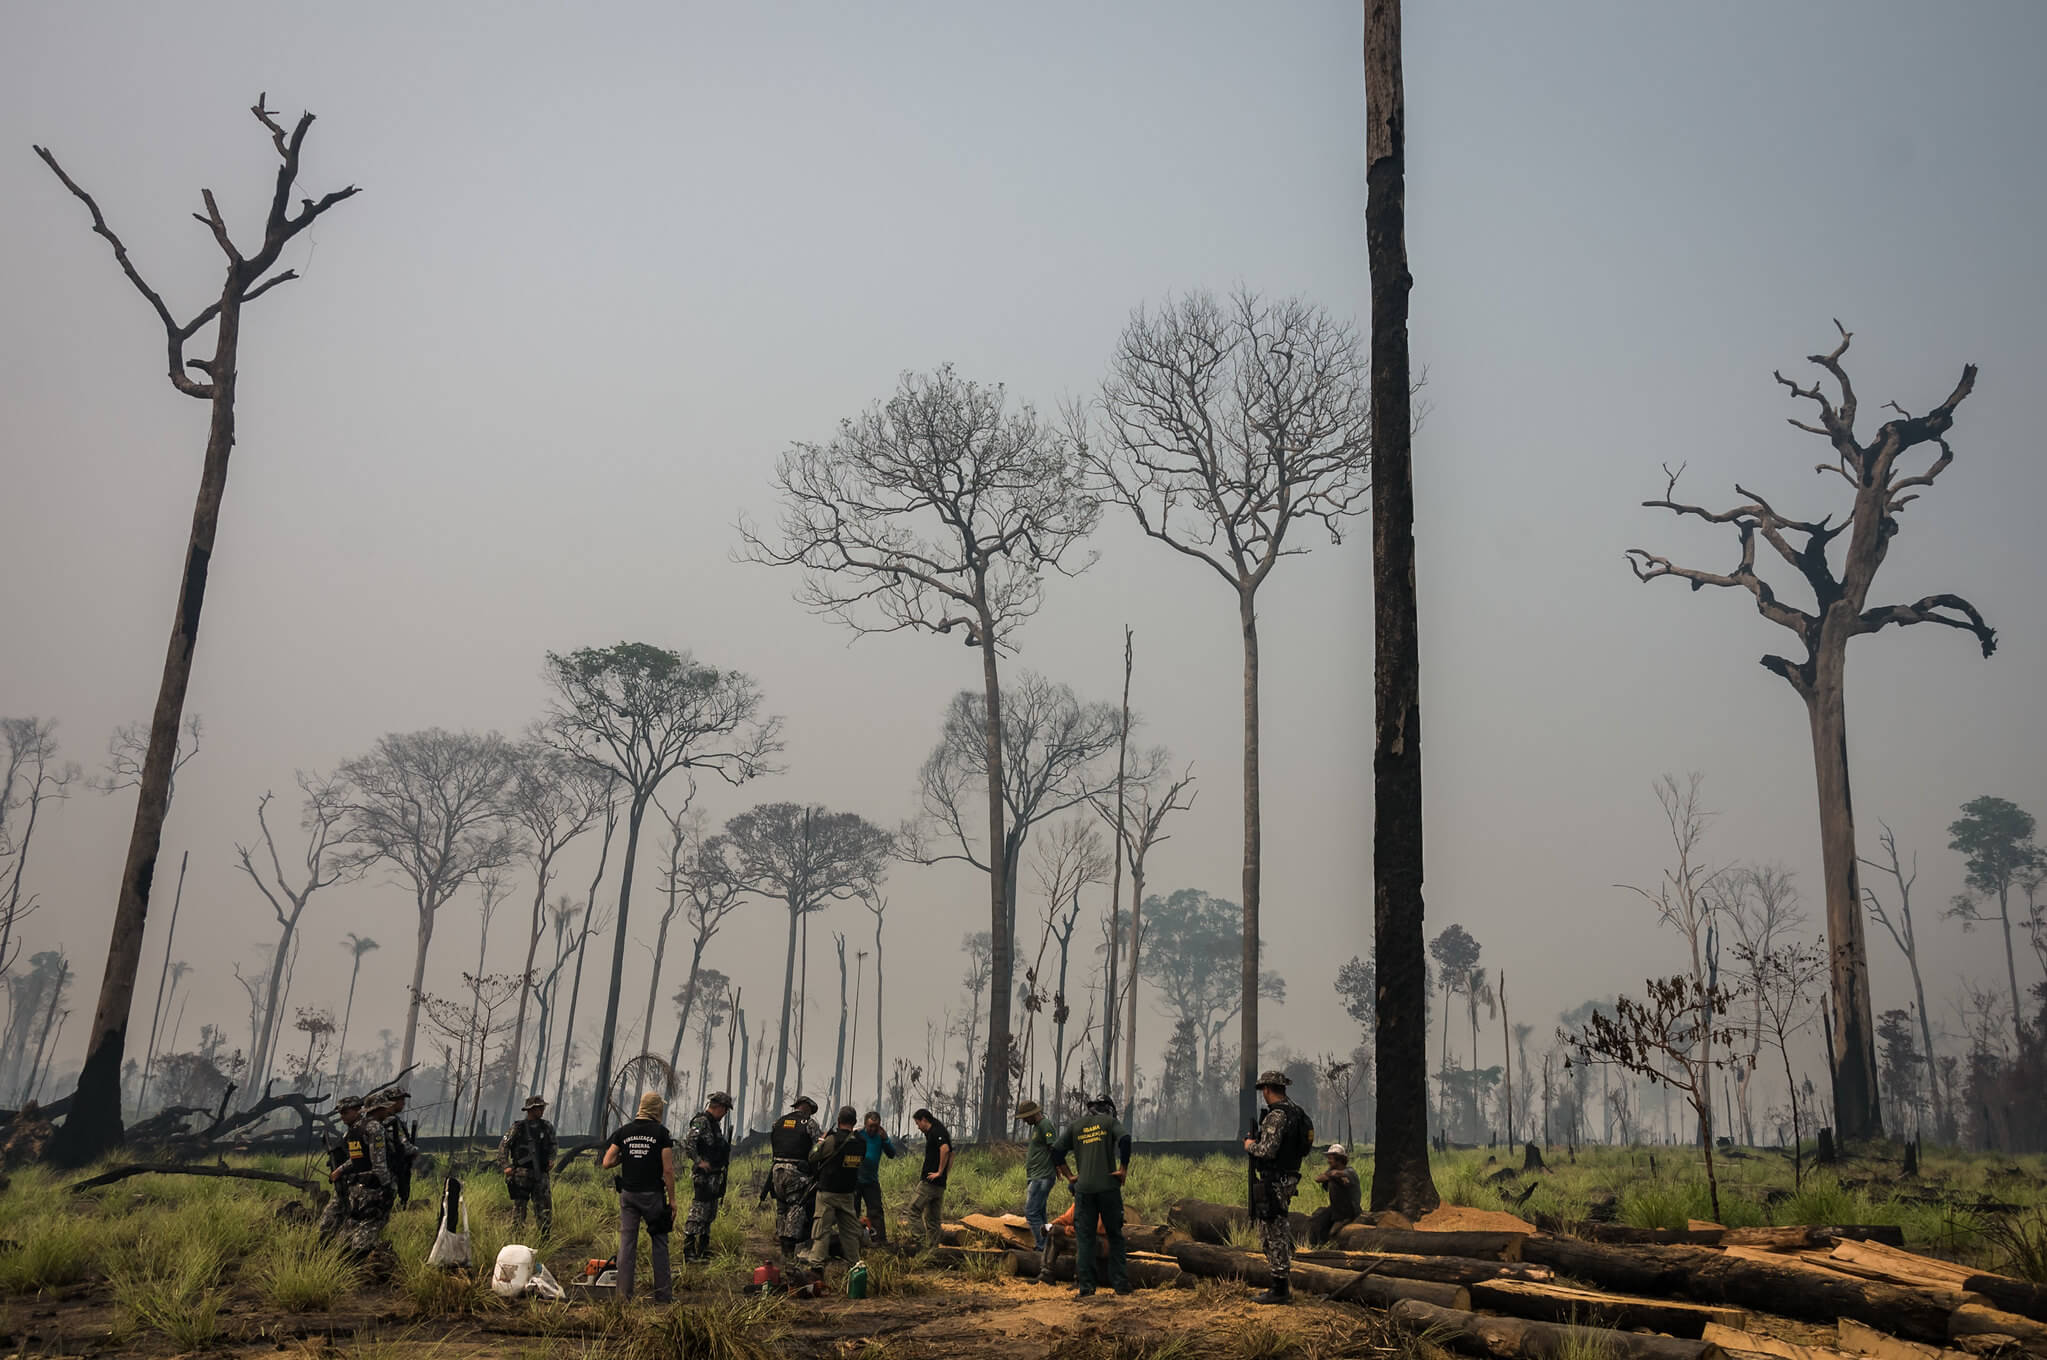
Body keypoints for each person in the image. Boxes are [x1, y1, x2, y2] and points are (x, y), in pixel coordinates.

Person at [1050, 1093, 1131, 1298]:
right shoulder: (1110, 1123)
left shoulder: (1076, 1126)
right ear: (1109, 1109)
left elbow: (1057, 1150)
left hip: (1083, 1189)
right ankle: (1120, 1285)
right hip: (1108, 1188)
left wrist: (1070, 1176)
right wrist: (1122, 1169)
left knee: (1084, 1239)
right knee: (1115, 1236)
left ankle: (1086, 1288)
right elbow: (1125, 1140)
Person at [1243, 1069, 1313, 1305]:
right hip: (1289, 1178)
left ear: (1266, 1089)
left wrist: (1250, 1145)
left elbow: (1267, 1151)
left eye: (1263, 1090)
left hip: (1275, 1180)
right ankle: (1280, 1284)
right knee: (1275, 1229)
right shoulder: (1297, 1113)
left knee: (1273, 1232)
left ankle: (1280, 1288)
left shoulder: (1277, 1116)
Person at [602, 1090, 677, 1303]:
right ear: (657, 1109)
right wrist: (672, 1200)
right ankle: (663, 1296)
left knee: (626, 1245)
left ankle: (623, 1297)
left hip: (628, 1195)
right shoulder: (661, 1134)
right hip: (652, 1196)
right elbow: (668, 1170)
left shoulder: (623, 1132)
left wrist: (625, 1157)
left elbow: (607, 1162)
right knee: (660, 1243)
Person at [318, 1094, 395, 1257]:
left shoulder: (354, 1131)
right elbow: (377, 1163)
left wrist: (340, 1170)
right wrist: (387, 1186)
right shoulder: (372, 1127)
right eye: (341, 1113)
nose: (342, 1117)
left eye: (345, 1112)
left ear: (357, 1110)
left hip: (359, 1187)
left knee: (353, 1224)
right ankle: (354, 1260)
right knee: (369, 1225)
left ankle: (340, 1257)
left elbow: (357, 1159)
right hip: (372, 1187)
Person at [804, 1105, 866, 1268]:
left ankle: (816, 1267)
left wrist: (820, 1141)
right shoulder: (861, 1142)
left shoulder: (831, 1141)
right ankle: (855, 1267)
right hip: (848, 1194)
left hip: (827, 1194)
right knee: (850, 1234)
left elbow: (812, 1156)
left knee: (821, 1232)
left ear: (838, 1121)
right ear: (854, 1122)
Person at [679, 1091, 733, 1263]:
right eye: (725, 1110)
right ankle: (689, 1251)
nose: (725, 1114)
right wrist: (699, 1161)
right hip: (704, 1176)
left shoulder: (715, 1124)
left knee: (710, 1212)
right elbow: (689, 1144)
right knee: (698, 1211)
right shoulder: (701, 1121)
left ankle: (703, 1248)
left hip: (715, 1175)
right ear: (720, 1107)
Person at [768, 1096, 822, 1261]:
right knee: (796, 1207)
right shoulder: (809, 1124)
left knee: (781, 1207)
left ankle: (780, 1238)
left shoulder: (778, 1122)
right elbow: (817, 1149)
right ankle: (788, 1249)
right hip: (796, 1173)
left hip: (776, 1171)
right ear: (807, 1108)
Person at [499, 1095, 558, 1236]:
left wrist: (551, 1159)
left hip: (541, 1175)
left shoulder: (547, 1127)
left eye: (542, 1107)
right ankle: (516, 1237)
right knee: (519, 1209)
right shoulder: (518, 1127)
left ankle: (544, 1237)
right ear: (531, 1109)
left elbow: (553, 1145)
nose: (542, 1110)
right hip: (521, 1174)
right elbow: (503, 1147)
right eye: (539, 1107)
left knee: (544, 1208)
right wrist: (506, 1166)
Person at [1017, 1100, 1056, 1258]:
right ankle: (1048, 1243)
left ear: (1033, 1114)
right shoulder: (1037, 1127)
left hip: (1042, 1176)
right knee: (1040, 1214)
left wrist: (1058, 1169)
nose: (1025, 1121)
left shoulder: (1045, 1125)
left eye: (1026, 1117)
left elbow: (1053, 1148)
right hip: (1037, 1176)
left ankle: (1042, 1246)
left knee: (1031, 1212)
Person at [907, 1107, 951, 1248]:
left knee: (913, 1210)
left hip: (930, 1182)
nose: (918, 1127)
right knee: (932, 1218)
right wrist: (944, 1174)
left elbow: (945, 1149)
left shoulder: (936, 1131)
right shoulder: (938, 1130)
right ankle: (933, 1249)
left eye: (918, 1123)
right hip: (939, 1184)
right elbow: (952, 1153)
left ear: (924, 1119)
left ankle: (920, 1243)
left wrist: (939, 1172)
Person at [855, 1110, 898, 1245]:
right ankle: (854, 1240)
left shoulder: (881, 1137)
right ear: (865, 1125)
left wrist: (886, 1139)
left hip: (871, 1180)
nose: (873, 1129)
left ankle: (880, 1240)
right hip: (855, 1180)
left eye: (876, 1126)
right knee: (853, 1210)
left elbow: (891, 1154)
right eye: (870, 1126)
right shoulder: (858, 1134)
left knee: (876, 1211)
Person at [1308, 1143, 1361, 1247]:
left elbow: (1338, 1175)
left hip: (1349, 1210)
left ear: (1338, 1159)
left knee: (1332, 1233)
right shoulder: (1332, 1172)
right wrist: (1333, 1175)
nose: (1328, 1161)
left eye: (1330, 1158)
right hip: (1336, 1209)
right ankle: (1318, 1247)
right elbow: (1318, 1179)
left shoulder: (1350, 1172)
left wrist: (1335, 1176)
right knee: (1316, 1223)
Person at [371, 1088, 417, 1207]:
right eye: (400, 1099)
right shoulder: (389, 1121)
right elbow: (403, 1145)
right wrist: (414, 1151)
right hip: (391, 1166)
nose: (403, 1103)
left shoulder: (386, 1120)